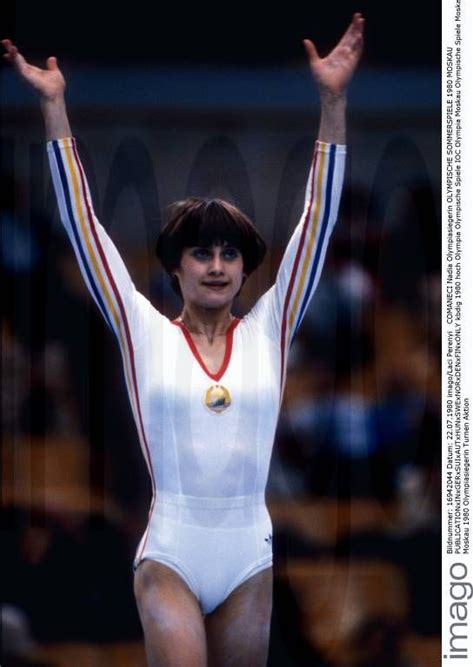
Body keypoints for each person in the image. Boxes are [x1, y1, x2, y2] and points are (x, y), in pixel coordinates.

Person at [2, 14, 364, 667]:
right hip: (172, 549)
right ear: (176, 267)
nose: (218, 265)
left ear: (245, 266)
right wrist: (55, 108)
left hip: (249, 553)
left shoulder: (271, 329)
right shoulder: (142, 329)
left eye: (230, 253)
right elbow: (82, 225)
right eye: (201, 253)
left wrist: (333, 104)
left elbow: (318, 221)